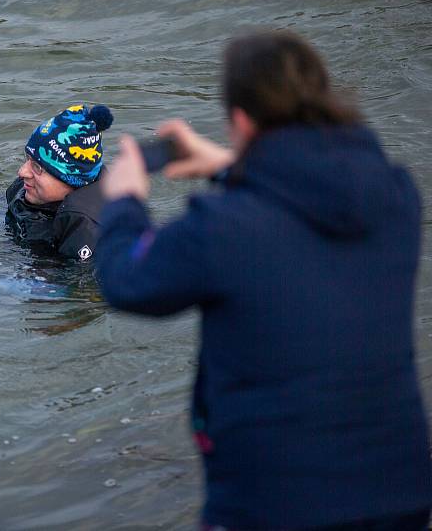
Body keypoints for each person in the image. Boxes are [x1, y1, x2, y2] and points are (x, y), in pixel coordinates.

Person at [96, 31, 431, 530]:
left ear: (241, 120)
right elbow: (303, 202)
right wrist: (231, 166)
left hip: (275, 503)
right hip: (400, 494)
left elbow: (127, 280)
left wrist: (124, 200)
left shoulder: (223, 226)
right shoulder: (395, 197)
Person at [6, 104, 113, 261]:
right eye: (27, 159)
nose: (22, 172)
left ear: (71, 180)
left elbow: (79, 283)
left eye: (37, 167)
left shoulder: (87, 230)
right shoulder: (28, 189)